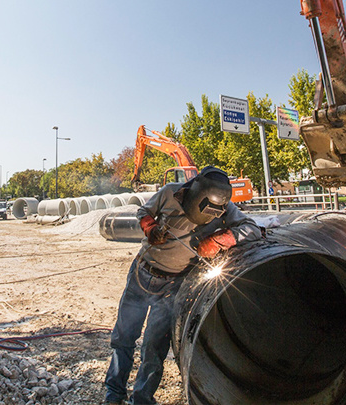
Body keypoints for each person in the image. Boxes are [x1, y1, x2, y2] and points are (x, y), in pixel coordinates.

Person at [104, 166, 261, 405]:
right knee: (124, 337)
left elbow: (253, 229)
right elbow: (143, 211)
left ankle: (142, 399)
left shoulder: (225, 207)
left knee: (154, 348)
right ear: (195, 190)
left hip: (173, 286)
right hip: (141, 274)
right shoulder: (169, 192)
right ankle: (113, 395)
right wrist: (150, 227)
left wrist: (221, 239)